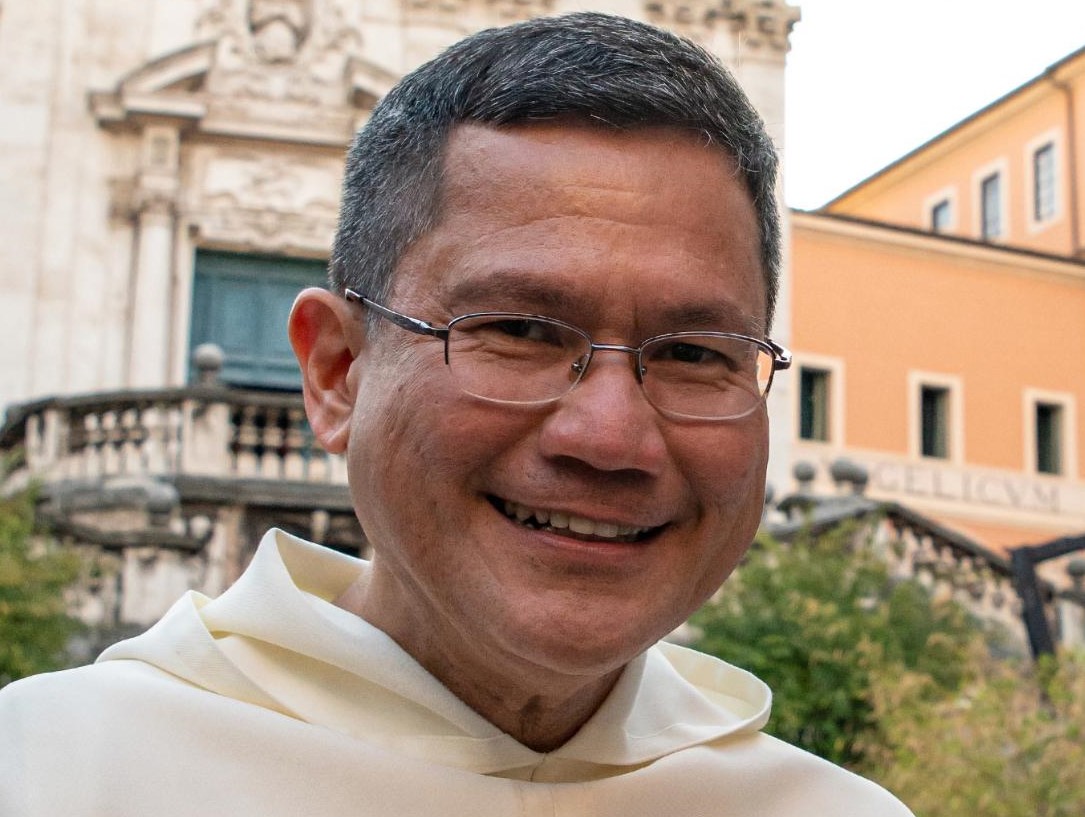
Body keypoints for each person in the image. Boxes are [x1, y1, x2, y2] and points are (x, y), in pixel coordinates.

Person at [0, 12, 913, 816]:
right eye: (516, 328)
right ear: (337, 372)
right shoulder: (49, 773)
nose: (609, 436)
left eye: (691, 353)